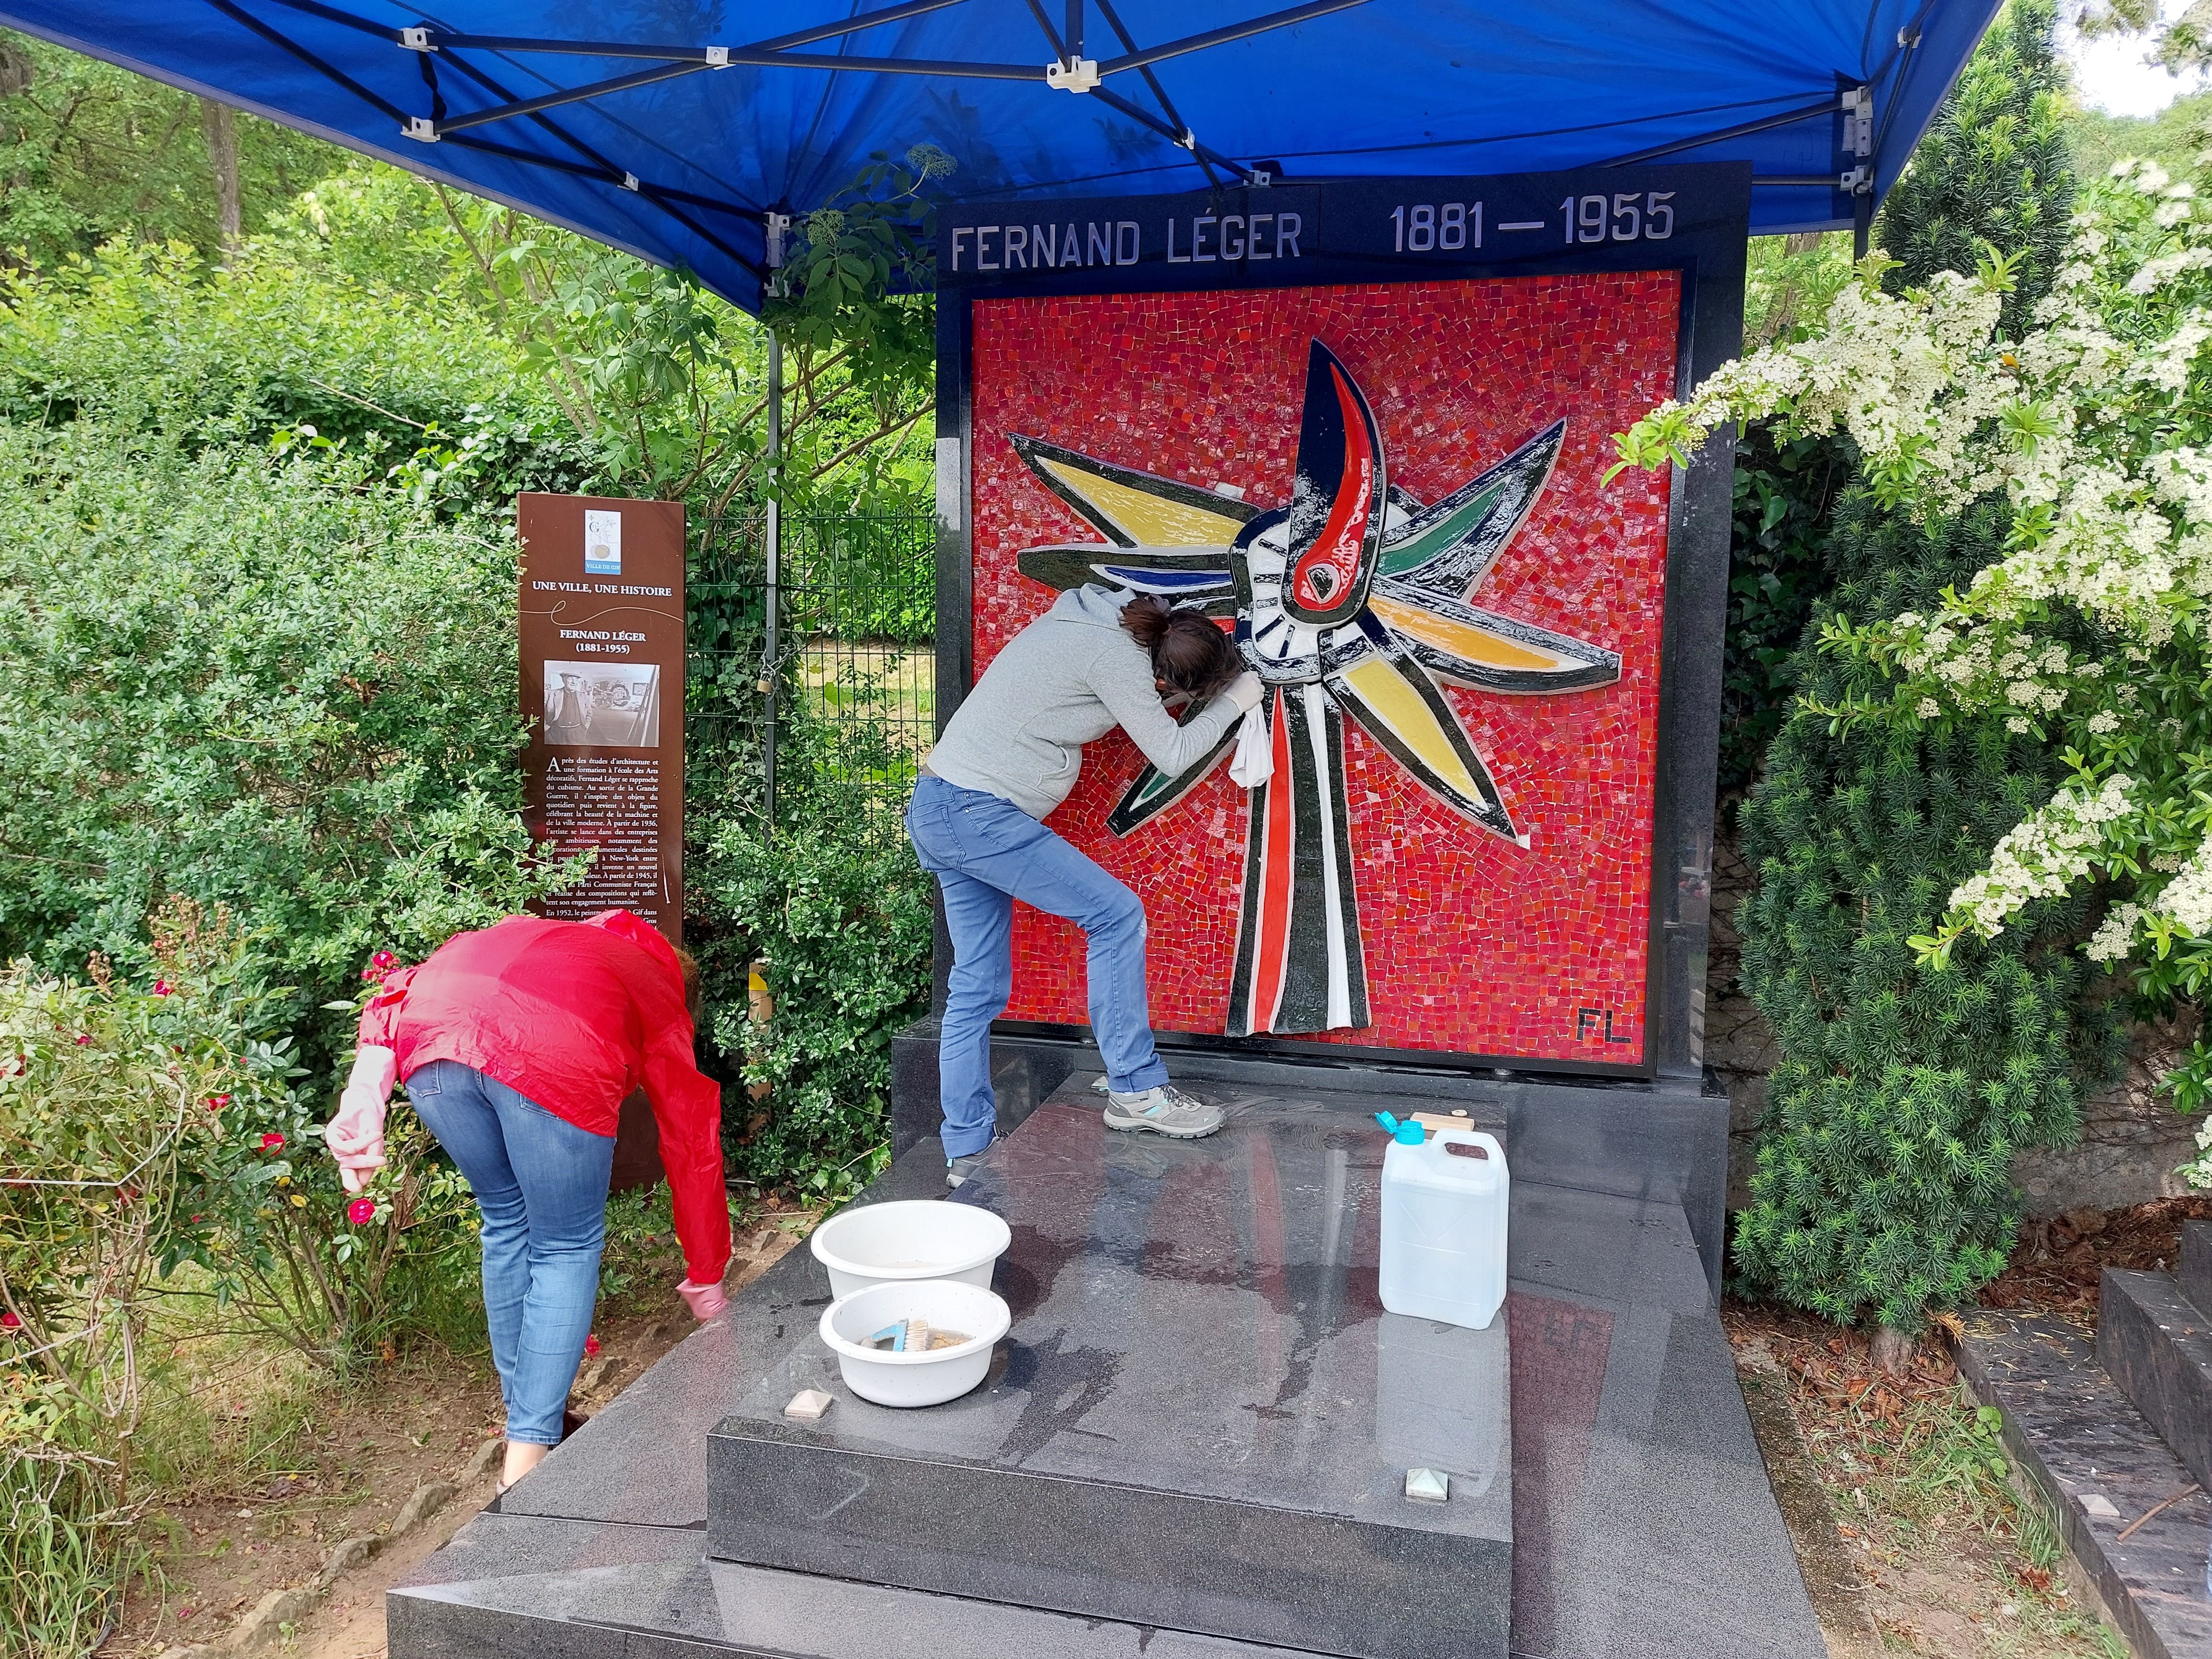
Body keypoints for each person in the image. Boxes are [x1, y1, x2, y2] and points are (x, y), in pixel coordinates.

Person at [323, 909, 730, 1488]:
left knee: (506, 1223)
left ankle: (535, 1422)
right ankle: (523, 1472)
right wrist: (707, 1273)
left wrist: (364, 1099)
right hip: (550, 1054)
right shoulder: (650, 979)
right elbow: (689, 1134)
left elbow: (400, 995)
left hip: (433, 1050)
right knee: (566, 1245)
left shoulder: (531, 934)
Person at [910, 587, 1263, 1187]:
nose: (1160, 701)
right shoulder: (1116, 657)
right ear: (1162, 672)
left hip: (942, 804)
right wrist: (1232, 702)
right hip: (977, 814)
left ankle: (967, 1151)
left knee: (975, 988)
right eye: (1167, 693)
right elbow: (1173, 753)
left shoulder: (1090, 623)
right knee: (1116, 915)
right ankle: (1136, 1089)